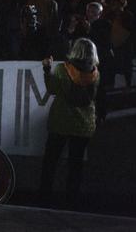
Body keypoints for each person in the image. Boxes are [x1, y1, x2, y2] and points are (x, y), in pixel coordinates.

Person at [38, 38, 100, 208]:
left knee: (51, 161)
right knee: (75, 164)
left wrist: (46, 69)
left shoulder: (62, 69)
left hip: (61, 121)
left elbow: (52, 89)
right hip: (84, 124)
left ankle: (44, 197)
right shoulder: (95, 73)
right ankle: (72, 199)